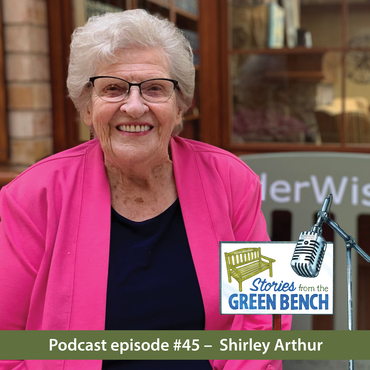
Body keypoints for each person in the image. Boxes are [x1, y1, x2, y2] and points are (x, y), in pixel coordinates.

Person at [0, 9, 291, 370]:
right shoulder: (33, 196)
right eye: (113, 88)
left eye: (155, 88)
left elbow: (263, 319)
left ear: (180, 106)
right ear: (87, 107)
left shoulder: (231, 179)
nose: (134, 106)